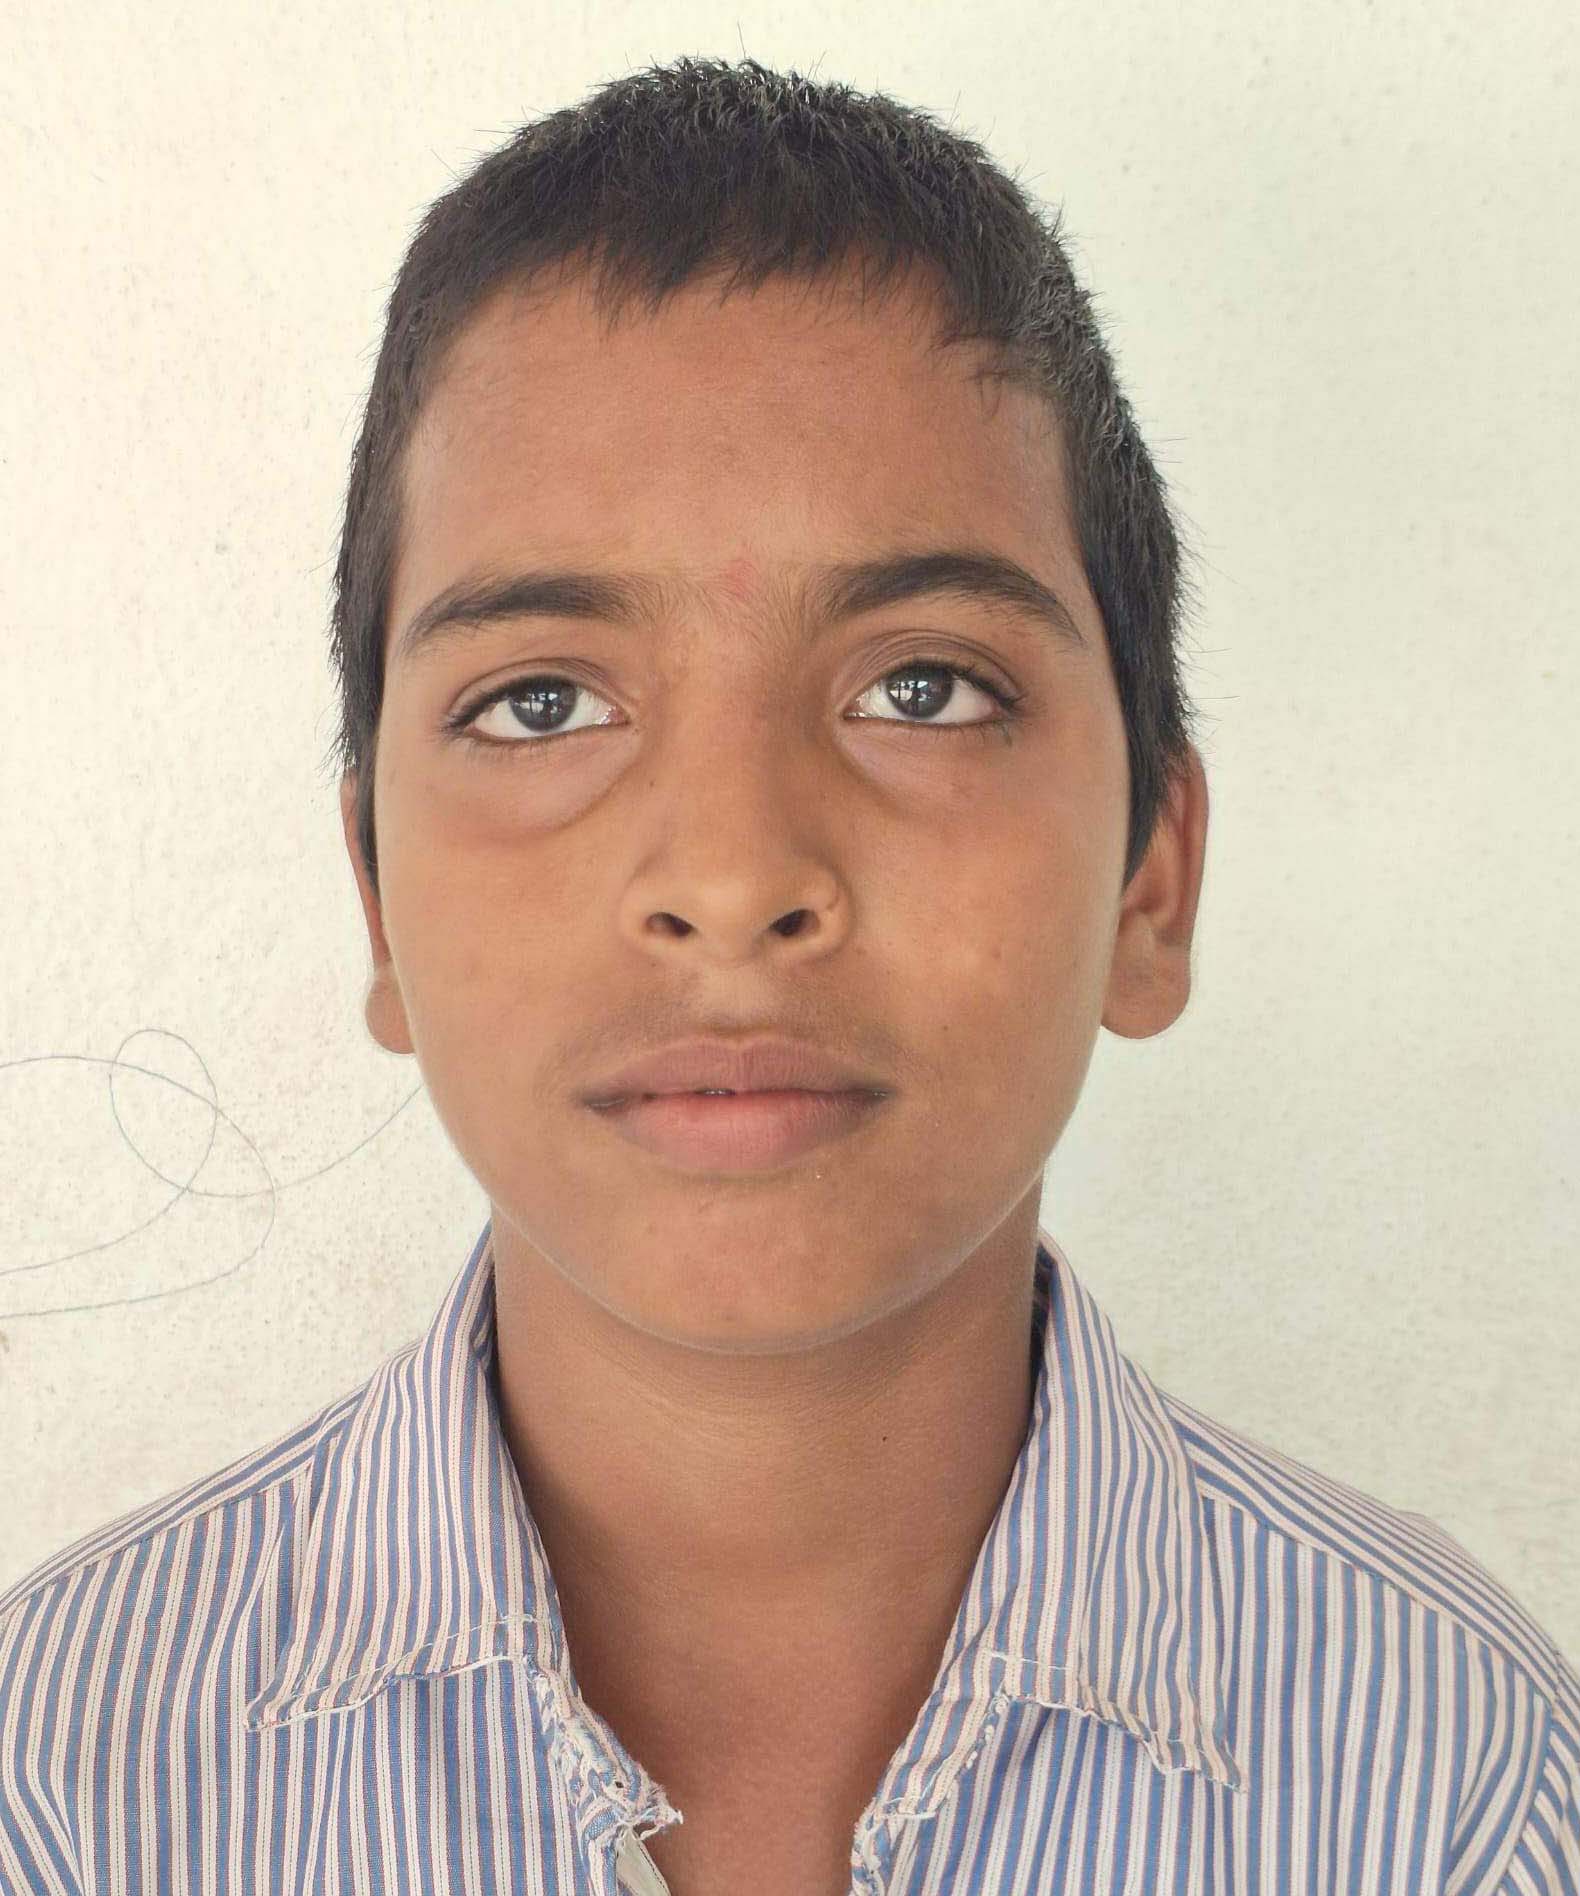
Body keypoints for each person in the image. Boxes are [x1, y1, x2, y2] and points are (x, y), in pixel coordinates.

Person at [2, 54, 1575, 1896]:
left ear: (1152, 876)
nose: (736, 881)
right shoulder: (64, 1788)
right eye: (541, 703)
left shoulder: (1462, 1785)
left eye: (924, 688)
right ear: (375, 901)